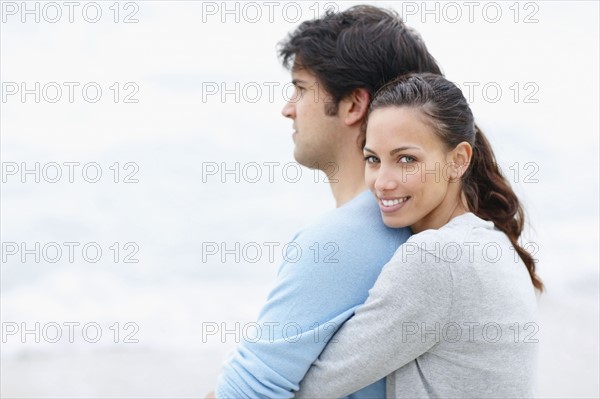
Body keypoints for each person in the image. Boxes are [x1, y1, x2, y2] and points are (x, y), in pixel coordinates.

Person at [209, 6, 443, 399]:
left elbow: (248, 391)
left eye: (300, 89)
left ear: (353, 105)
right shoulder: (429, 221)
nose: (288, 108)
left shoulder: (344, 240)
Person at [294, 73, 544, 398]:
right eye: (373, 159)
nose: (382, 182)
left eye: (406, 159)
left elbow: (311, 387)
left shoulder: (435, 257)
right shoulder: (493, 242)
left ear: (458, 161)